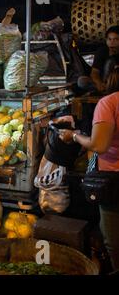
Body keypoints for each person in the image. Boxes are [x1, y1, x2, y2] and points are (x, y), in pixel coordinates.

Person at [59, 65, 119, 271]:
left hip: (113, 179)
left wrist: (74, 135)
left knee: (114, 239)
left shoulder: (109, 102)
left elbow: (99, 145)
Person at [78, 25, 119, 92]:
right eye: (109, 39)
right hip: (103, 84)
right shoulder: (102, 51)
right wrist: (99, 83)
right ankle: (103, 90)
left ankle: (108, 90)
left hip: (116, 85)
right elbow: (94, 72)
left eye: (116, 39)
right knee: (82, 81)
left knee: (110, 61)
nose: (112, 42)